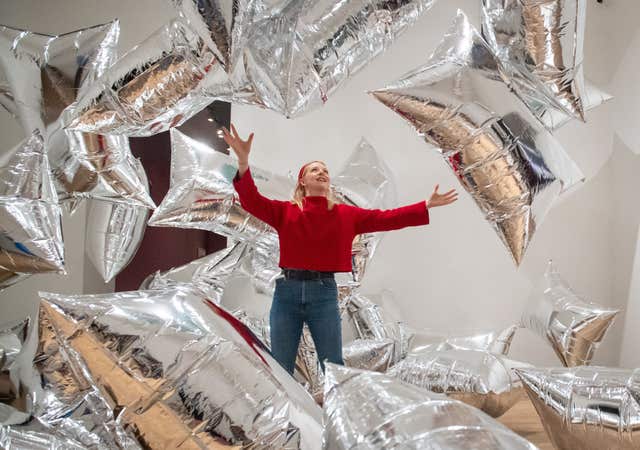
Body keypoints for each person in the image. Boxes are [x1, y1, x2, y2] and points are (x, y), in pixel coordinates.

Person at [223, 124, 458, 375]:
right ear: (302, 180)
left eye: (325, 170)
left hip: (323, 294)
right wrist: (243, 162)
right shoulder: (285, 211)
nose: (322, 172)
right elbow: (251, 201)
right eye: (315, 169)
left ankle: (334, 413)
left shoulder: (346, 214)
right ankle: (289, 415)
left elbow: (387, 218)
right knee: (281, 367)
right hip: (287, 294)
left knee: (333, 366)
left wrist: (425, 205)